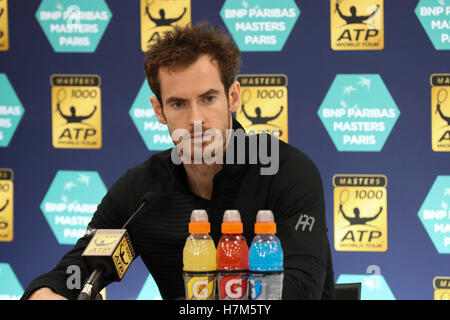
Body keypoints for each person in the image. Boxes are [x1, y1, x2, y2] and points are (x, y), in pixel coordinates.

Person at [22, 22, 335, 300]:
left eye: (208, 99)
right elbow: (78, 269)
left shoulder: (286, 172)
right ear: (159, 111)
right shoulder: (141, 192)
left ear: (234, 98)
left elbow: (300, 289)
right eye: (178, 103)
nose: (196, 120)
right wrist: (48, 292)